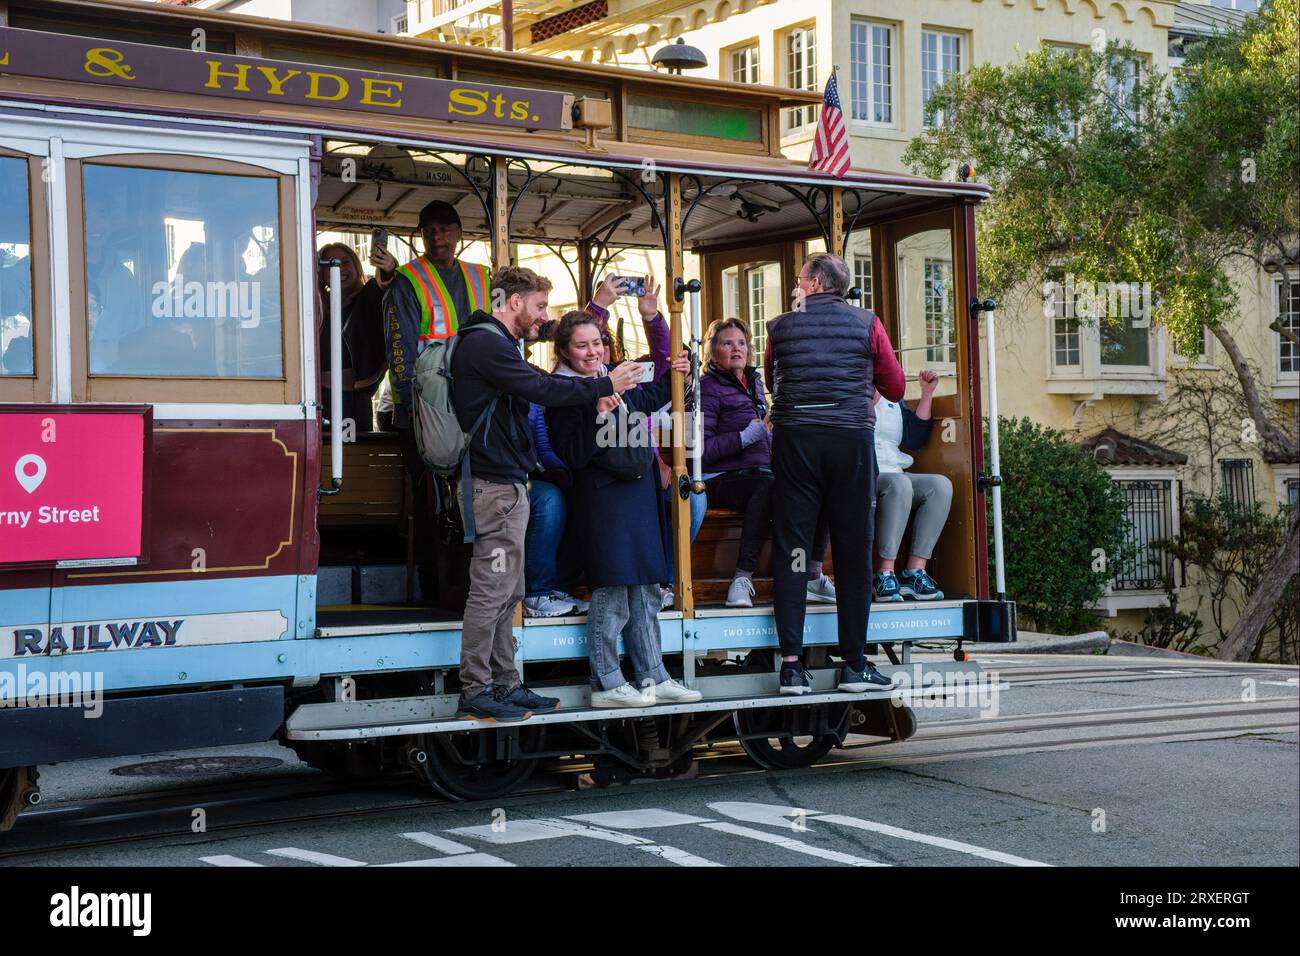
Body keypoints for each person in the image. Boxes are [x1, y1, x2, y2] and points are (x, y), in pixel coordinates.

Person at [450, 266, 646, 722]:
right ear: (514, 302)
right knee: (491, 590)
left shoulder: (499, 344)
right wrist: (604, 384)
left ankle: (505, 684)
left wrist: (599, 310)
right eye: (538, 307)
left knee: (509, 589)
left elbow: (551, 364)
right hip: (493, 483)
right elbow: (541, 386)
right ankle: (476, 689)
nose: (543, 317)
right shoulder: (484, 342)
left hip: (507, 483)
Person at [546, 310, 703, 708]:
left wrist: (677, 365)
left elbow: (654, 394)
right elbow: (573, 454)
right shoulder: (562, 393)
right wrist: (598, 415)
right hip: (601, 498)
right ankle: (607, 682)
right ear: (564, 352)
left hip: (638, 493)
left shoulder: (618, 376)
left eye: (596, 342)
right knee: (613, 593)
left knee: (647, 590)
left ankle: (654, 674)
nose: (592, 351)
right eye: (581, 346)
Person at [765, 253, 905, 695]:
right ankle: (855, 665)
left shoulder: (780, 326)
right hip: (849, 441)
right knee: (851, 548)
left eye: (800, 278)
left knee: (793, 546)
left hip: (796, 440)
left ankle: (791, 667)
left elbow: (773, 380)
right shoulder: (868, 323)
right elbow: (897, 388)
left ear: (815, 283)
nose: (796, 284)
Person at [383, 199, 491, 602]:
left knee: (481, 496)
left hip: (478, 408)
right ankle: (436, 594)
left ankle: (478, 589)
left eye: (445, 229)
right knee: (434, 505)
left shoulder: (483, 276)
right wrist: (411, 412)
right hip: (428, 408)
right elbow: (400, 349)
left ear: (460, 233)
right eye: (429, 230)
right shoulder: (408, 280)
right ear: (421, 236)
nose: (438, 236)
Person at [701, 318, 834, 608]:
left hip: (760, 473)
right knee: (766, 485)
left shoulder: (755, 384)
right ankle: (741, 579)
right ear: (713, 352)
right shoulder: (707, 388)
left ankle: (811, 574)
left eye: (741, 343)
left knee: (819, 482)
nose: (737, 349)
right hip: (719, 478)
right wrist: (745, 437)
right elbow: (700, 452)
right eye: (727, 343)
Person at [872, 369, 952, 602]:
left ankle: (913, 572)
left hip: (894, 472)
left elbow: (914, 437)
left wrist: (927, 393)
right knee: (900, 484)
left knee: (940, 486)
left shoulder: (893, 397)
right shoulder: (851, 392)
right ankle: (884, 575)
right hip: (864, 475)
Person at [317, 241, 397, 431]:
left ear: (356, 265)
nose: (339, 268)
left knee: (355, 453)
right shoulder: (318, 303)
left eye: (345, 262)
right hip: (319, 396)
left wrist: (388, 266)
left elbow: (383, 283)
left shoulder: (368, 293)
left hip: (353, 395)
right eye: (331, 264)